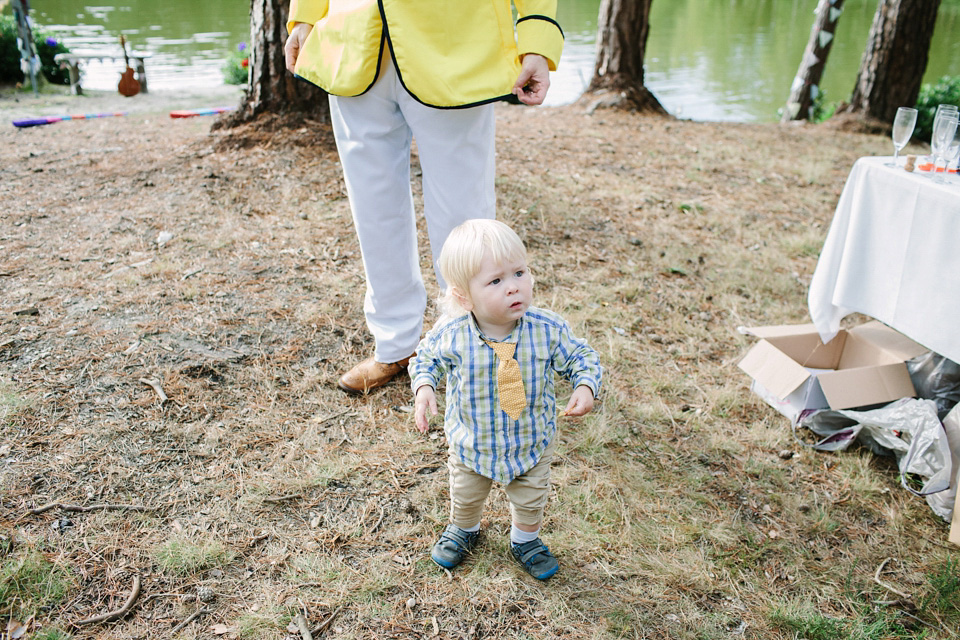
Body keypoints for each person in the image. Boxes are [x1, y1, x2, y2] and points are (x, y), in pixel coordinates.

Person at [283, 1, 564, 394]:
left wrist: (537, 37)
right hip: (350, 40)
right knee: (373, 208)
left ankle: (477, 345)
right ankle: (396, 343)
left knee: (464, 218)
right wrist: (306, 15)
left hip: (455, 41)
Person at [409, 220, 602, 580]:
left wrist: (585, 386)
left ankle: (524, 539)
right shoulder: (452, 335)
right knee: (466, 493)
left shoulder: (547, 329)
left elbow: (582, 357)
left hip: (530, 440)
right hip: (472, 441)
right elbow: (426, 358)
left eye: (519, 272)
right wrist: (424, 388)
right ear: (463, 297)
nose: (513, 286)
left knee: (531, 498)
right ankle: (464, 528)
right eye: (496, 281)